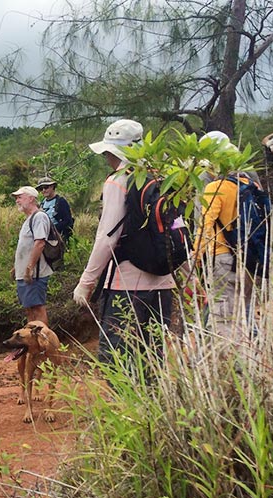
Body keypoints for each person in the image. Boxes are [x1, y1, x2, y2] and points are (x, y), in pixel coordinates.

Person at [72, 119, 175, 366]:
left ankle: (126, 406)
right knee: (151, 361)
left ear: (113, 152)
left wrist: (86, 282)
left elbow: (107, 238)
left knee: (115, 361)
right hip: (164, 284)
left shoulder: (119, 180)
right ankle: (152, 405)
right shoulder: (162, 178)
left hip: (126, 286)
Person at [194, 132, 254, 337]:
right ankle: (250, 351)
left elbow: (205, 224)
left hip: (222, 255)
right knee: (243, 308)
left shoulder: (214, 187)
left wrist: (195, 258)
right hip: (250, 256)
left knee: (222, 316)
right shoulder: (250, 181)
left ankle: (225, 361)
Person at [12, 186, 52, 325]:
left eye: (20, 197)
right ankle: (33, 343)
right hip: (26, 273)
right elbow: (26, 246)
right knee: (29, 309)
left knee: (37, 308)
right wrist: (17, 268)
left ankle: (44, 343)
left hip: (35, 274)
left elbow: (40, 243)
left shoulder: (39, 217)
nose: (17, 201)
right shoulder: (29, 219)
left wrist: (29, 268)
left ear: (31, 198)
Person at [36, 177, 74, 244]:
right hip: (45, 237)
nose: (43, 190)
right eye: (41, 189)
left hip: (58, 238)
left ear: (52, 187)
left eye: (46, 187)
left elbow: (67, 221)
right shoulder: (42, 203)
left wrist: (53, 229)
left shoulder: (61, 202)